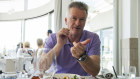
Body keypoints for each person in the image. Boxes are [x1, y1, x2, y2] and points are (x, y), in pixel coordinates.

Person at [39, 1, 100, 77]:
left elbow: (95, 71)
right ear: (66, 20)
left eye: (82, 19)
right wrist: (59, 45)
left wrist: (82, 56)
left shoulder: (93, 38)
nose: (77, 23)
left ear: (85, 22)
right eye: (74, 18)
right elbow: (41, 68)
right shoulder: (53, 38)